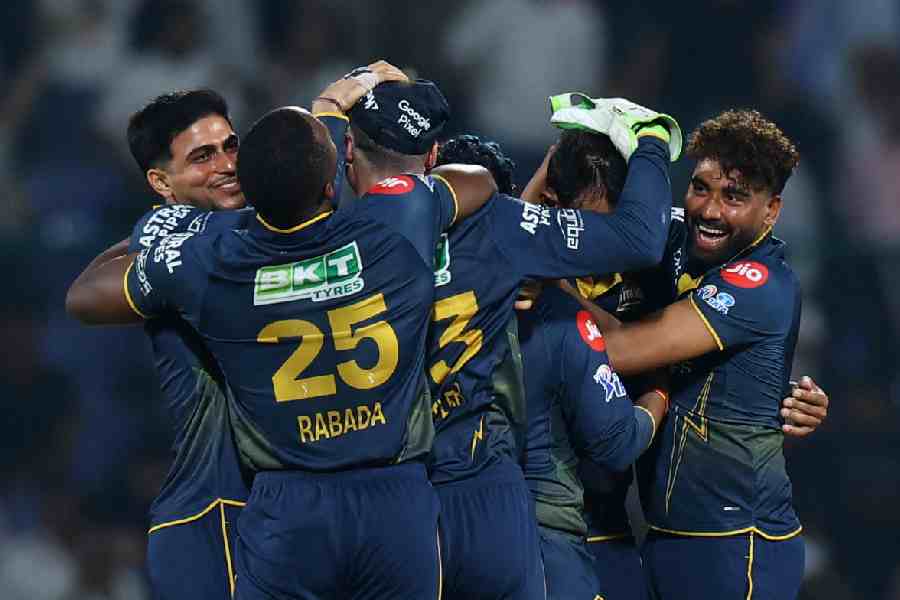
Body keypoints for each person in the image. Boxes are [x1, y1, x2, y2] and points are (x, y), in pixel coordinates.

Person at [321, 82, 679, 598]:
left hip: (377, 496)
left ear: (351, 151)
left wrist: (328, 111)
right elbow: (640, 239)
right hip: (484, 493)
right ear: (434, 156)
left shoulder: (326, 236)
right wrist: (647, 138)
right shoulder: (499, 233)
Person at [580, 109, 810, 599]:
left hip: (736, 541)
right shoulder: (675, 240)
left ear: (771, 211)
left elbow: (619, 350)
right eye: (701, 187)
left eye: (734, 197)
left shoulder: (761, 283)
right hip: (666, 534)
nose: (710, 209)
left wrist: (536, 272)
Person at [67, 88, 250, 600]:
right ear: (161, 182)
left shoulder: (254, 224)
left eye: (231, 146)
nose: (227, 164)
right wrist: (155, 232)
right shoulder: (194, 245)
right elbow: (80, 297)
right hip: (214, 511)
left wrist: (153, 231)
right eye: (203, 156)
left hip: (278, 504)